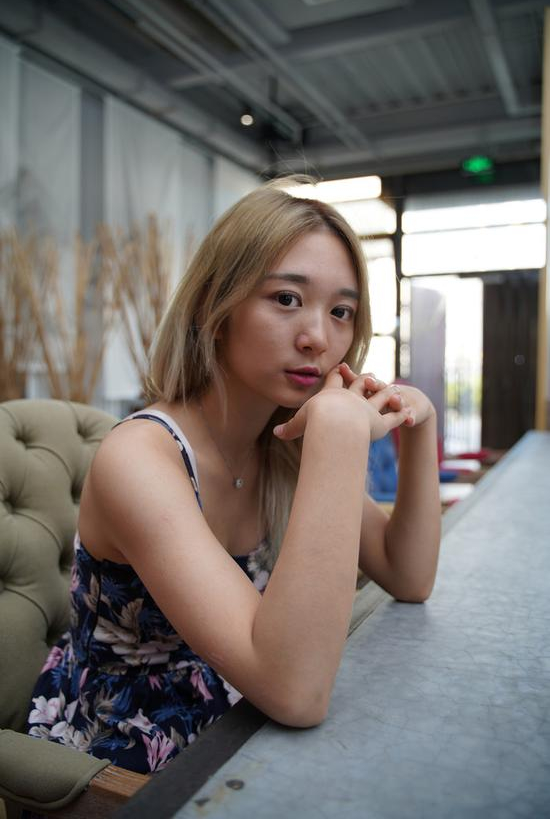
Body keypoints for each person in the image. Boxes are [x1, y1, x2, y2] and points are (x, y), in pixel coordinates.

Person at [25, 178, 441, 774]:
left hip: (247, 731)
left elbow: (408, 575)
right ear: (214, 309)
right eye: (287, 299)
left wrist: (419, 426)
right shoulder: (139, 458)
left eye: (341, 312)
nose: (318, 338)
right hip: (124, 761)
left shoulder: (283, 447)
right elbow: (297, 693)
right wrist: (337, 433)